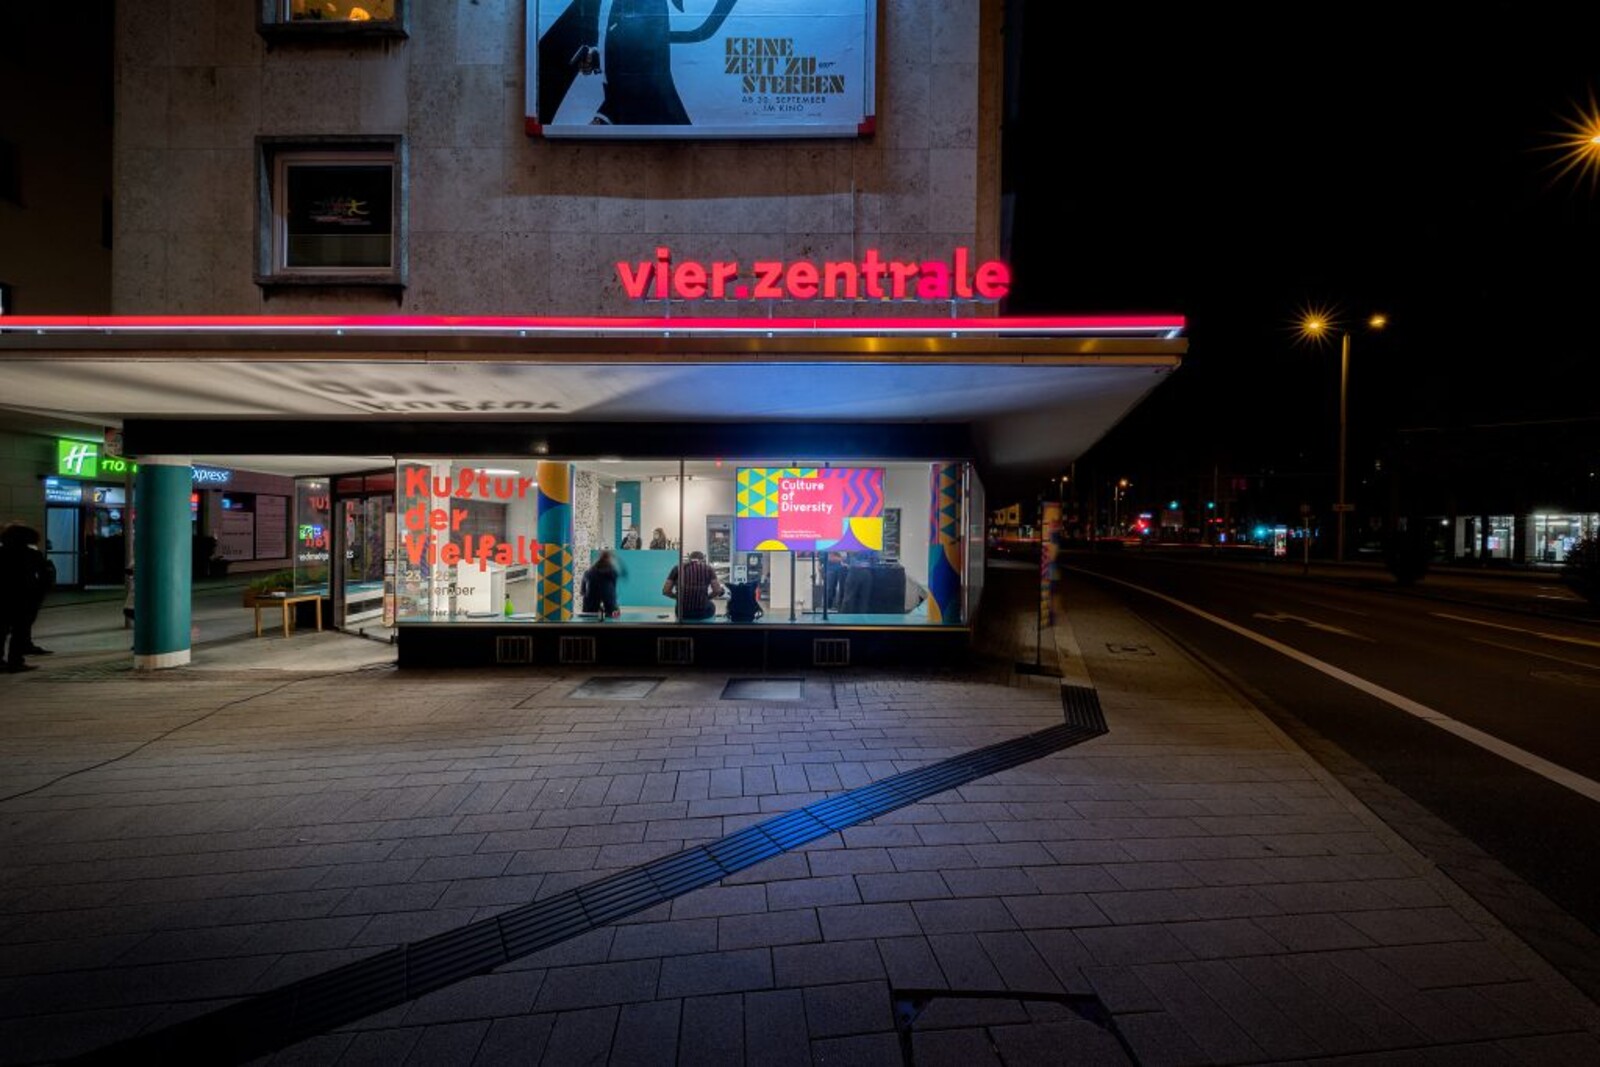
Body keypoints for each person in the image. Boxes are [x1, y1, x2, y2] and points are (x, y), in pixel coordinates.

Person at [1, 523, 52, 672]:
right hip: (25, 597)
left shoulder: (2, 553)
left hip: (4, 597)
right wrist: (39, 593)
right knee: (20, 631)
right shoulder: (31, 554)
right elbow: (45, 576)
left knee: (2, 630)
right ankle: (15, 661)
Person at [662, 549, 723, 620]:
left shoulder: (677, 568)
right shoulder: (708, 569)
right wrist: (707, 598)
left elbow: (666, 591)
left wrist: (679, 598)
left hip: (681, 613)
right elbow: (717, 591)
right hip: (703, 613)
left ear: (689, 559)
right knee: (711, 605)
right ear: (703, 560)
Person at [580, 549, 622, 617]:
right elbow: (614, 584)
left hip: (592, 596)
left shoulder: (591, 570)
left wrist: (583, 591)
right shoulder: (612, 570)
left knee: (589, 613)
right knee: (613, 613)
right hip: (606, 595)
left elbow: (584, 582)